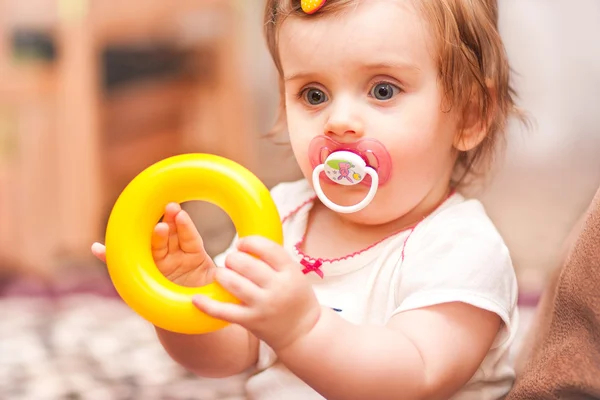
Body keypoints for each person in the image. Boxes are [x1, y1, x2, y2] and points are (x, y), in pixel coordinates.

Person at [92, 0, 525, 398]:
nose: (339, 121)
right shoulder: (280, 215)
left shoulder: (462, 248)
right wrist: (185, 292)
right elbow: (228, 354)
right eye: (313, 95)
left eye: (383, 90)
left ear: (470, 114)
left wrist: (302, 329)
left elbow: (416, 374)